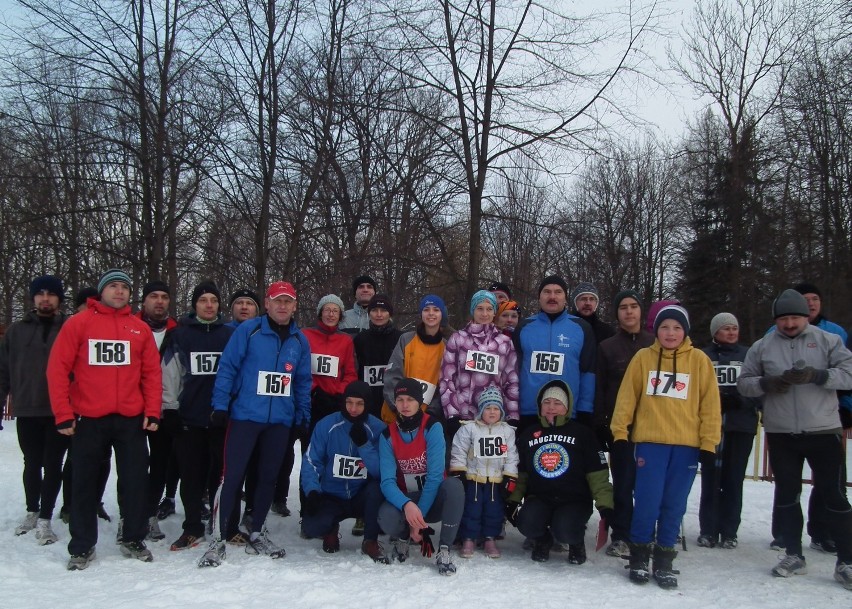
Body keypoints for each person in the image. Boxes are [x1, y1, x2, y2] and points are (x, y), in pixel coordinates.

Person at [47, 269, 162, 570]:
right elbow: (57, 369)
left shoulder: (139, 329)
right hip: (90, 418)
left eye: (125, 287)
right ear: (101, 292)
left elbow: (151, 374)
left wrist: (152, 411)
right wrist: (63, 413)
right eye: (113, 286)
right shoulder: (79, 323)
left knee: (137, 480)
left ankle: (133, 537)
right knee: (84, 482)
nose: (120, 291)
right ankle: (82, 546)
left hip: (130, 418)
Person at [738, 289, 852, 589]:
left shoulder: (829, 340)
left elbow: (849, 373)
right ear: (776, 320)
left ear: (807, 316)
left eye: (795, 318)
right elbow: (745, 383)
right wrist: (767, 383)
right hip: (780, 431)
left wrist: (819, 376)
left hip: (823, 430)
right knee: (787, 495)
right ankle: (793, 553)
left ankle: (847, 559)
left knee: (834, 495)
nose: (789, 324)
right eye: (784, 319)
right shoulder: (763, 346)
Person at [199, 280, 312, 567]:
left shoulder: (300, 340)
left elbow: (302, 381)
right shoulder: (249, 331)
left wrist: (302, 415)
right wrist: (220, 406)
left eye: (288, 301)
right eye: (278, 301)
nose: (283, 306)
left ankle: (258, 530)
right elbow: (228, 367)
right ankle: (219, 536)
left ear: (295, 305)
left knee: (267, 477)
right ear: (267, 303)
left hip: (279, 421)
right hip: (245, 416)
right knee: (233, 476)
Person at [611, 304, 721, 588]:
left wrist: (709, 444)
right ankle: (638, 556)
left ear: (685, 331)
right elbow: (627, 398)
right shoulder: (643, 358)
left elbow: (710, 405)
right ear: (655, 330)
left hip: (686, 446)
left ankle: (664, 559)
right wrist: (620, 433)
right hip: (650, 443)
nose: (670, 333)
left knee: (674, 504)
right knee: (647, 502)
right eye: (664, 327)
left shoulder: (699, 361)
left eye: (676, 327)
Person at [161, 281, 236, 551]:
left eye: (213, 301)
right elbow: (169, 373)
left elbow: (239, 373)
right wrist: (169, 408)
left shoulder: (229, 335)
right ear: (195, 304)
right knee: (191, 476)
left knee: (220, 475)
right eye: (203, 300)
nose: (208, 305)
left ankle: (221, 525)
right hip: (189, 418)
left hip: (221, 418)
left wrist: (232, 407)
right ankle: (192, 527)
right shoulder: (180, 335)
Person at [506, 379, 613, 565]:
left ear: (567, 406)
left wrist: (605, 505)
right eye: (546, 403)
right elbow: (520, 473)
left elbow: (598, 475)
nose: (551, 408)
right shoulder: (529, 434)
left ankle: (576, 542)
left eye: (557, 403)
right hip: (540, 498)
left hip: (574, 500)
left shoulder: (583, 434)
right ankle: (543, 539)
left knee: (565, 530)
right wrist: (513, 500)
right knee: (526, 523)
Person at [0, 275, 69, 546]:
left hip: (59, 409)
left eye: (51, 294)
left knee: (53, 464)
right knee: (32, 463)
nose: (45, 298)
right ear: (33, 298)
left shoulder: (69, 328)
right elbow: (3, 371)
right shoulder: (16, 331)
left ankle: (46, 518)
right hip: (27, 407)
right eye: (40, 294)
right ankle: (32, 509)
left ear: (58, 299)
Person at [278, 294, 356, 524]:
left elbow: (350, 372)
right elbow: (297, 366)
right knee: (310, 457)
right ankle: (308, 512)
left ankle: (328, 510)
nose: (331, 314)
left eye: (335, 310)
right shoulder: (306, 335)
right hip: (309, 403)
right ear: (320, 312)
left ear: (341, 315)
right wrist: (313, 389)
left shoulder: (345, 341)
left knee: (332, 458)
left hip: (334, 405)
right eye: (327, 309)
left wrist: (340, 392)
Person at [377, 379, 464, 575]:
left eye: (410, 399)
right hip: (407, 500)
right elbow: (388, 482)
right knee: (386, 516)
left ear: (419, 401)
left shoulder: (432, 427)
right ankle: (403, 537)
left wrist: (419, 518)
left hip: (432, 499)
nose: (405, 405)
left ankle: (444, 549)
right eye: (400, 399)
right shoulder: (387, 435)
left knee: (454, 487)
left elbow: (434, 477)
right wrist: (407, 506)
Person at [789, 282, 850, 554]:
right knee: (789, 485)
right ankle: (788, 538)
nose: (811, 304)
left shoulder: (835, 333)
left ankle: (828, 532)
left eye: (815, 299)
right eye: (806, 300)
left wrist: (847, 405)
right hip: (788, 420)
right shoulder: (777, 332)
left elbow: (847, 372)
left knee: (831, 482)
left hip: (827, 418)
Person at [593, 289, 654, 557]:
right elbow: (600, 387)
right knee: (623, 482)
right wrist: (601, 421)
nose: (629, 312)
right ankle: (621, 535)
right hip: (621, 428)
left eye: (633, 306)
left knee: (649, 484)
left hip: (655, 427)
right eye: (623, 307)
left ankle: (645, 533)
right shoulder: (607, 347)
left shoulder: (656, 344)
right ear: (617, 314)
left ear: (641, 311)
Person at [300, 381, 388, 562]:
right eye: (349, 402)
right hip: (332, 494)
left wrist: (364, 446)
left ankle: (370, 540)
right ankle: (330, 529)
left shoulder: (378, 429)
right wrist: (312, 491)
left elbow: (383, 471)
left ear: (367, 404)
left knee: (377, 489)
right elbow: (311, 460)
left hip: (361, 495)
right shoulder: (326, 425)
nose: (353, 408)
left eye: (359, 403)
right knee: (311, 527)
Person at [697, 313, 759, 549]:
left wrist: (741, 401)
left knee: (734, 478)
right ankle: (708, 529)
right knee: (711, 477)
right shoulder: (704, 356)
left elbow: (758, 387)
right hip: (712, 427)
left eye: (734, 328)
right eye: (726, 329)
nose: (731, 332)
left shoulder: (748, 355)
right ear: (715, 332)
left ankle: (730, 530)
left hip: (740, 425)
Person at [513, 275, 596, 431]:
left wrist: (585, 410)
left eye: (558, 292)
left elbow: (588, 372)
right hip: (529, 413)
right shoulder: (524, 327)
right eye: (547, 292)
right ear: (539, 297)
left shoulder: (581, 327)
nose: (552, 296)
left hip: (567, 413)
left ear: (565, 297)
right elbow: (513, 372)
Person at [441, 290, 519, 445]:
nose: (484, 313)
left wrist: (513, 416)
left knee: (491, 467)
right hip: (464, 416)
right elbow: (446, 378)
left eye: (489, 309)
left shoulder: (504, 342)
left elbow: (512, 380)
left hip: (494, 416)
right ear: (473, 311)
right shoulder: (458, 339)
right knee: (463, 462)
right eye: (480, 308)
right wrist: (452, 415)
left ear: (494, 312)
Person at [449, 385, 518, 559]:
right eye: (488, 408)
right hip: (474, 477)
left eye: (496, 408)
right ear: (480, 410)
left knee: (494, 510)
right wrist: (459, 471)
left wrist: (510, 475)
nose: (492, 412)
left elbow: (511, 455)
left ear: (501, 411)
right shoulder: (468, 429)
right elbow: (459, 450)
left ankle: (489, 538)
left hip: (496, 479)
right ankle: (469, 538)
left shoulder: (507, 431)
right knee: (472, 509)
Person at [135, 280, 179, 541]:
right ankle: (131, 516)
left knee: (160, 464)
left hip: (164, 408)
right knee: (133, 466)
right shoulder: (130, 327)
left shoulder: (177, 331)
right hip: (132, 407)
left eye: (164, 296)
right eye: (154, 296)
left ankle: (150, 514)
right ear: (144, 301)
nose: (159, 301)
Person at [382, 295, 450, 425]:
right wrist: (399, 408)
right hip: (397, 416)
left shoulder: (447, 347)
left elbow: (445, 385)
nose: (431, 313)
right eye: (426, 309)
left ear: (442, 315)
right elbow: (392, 376)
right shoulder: (406, 340)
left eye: (436, 310)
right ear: (421, 314)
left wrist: (431, 414)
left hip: (426, 420)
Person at [353, 294, 402, 419]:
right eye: (374, 310)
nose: (379, 314)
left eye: (383, 310)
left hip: (395, 400)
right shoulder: (360, 339)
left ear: (389, 313)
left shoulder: (401, 338)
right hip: (368, 402)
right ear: (369, 313)